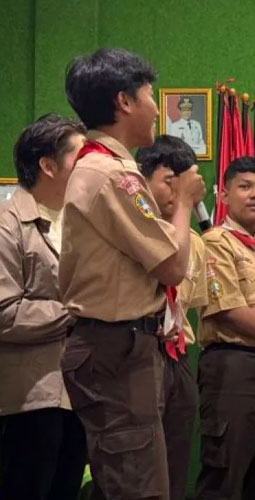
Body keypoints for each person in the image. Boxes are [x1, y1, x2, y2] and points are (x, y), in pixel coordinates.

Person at [59, 48, 205, 500]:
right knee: (140, 489)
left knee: (137, 481)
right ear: (124, 101)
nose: (157, 106)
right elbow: (173, 265)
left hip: (122, 347)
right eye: (149, 94)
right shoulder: (112, 174)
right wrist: (183, 202)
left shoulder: (102, 167)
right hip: (116, 347)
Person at [0, 114, 87, 500]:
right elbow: (5, 313)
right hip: (27, 398)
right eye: (79, 160)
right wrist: (78, 309)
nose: (90, 170)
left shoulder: (81, 220)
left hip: (80, 390)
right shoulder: (8, 223)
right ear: (47, 166)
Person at [196, 156, 255, 500]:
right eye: (245, 187)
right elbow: (229, 312)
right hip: (235, 368)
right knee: (225, 475)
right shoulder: (216, 242)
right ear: (224, 195)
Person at [136, 134, 208, 500]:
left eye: (185, 186)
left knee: (176, 460)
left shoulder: (194, 241)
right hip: (139, 349)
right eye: (168, 183)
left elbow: (193, 300)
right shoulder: (134, 228)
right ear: (142, 178)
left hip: (178, 355)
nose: (177, 194)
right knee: (137, 465)